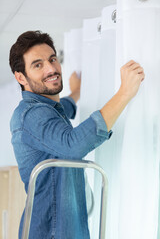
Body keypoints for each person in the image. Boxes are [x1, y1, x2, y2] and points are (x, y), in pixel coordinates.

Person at [9, 30, 145, 239]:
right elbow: (71, 145)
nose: (51, 68)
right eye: (38, 65)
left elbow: (63, 108)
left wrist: (76, 93)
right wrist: (125, 92)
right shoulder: (30, 114)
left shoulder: (48, 109)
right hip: (52, 233)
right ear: (21, 77)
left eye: (52, 59)